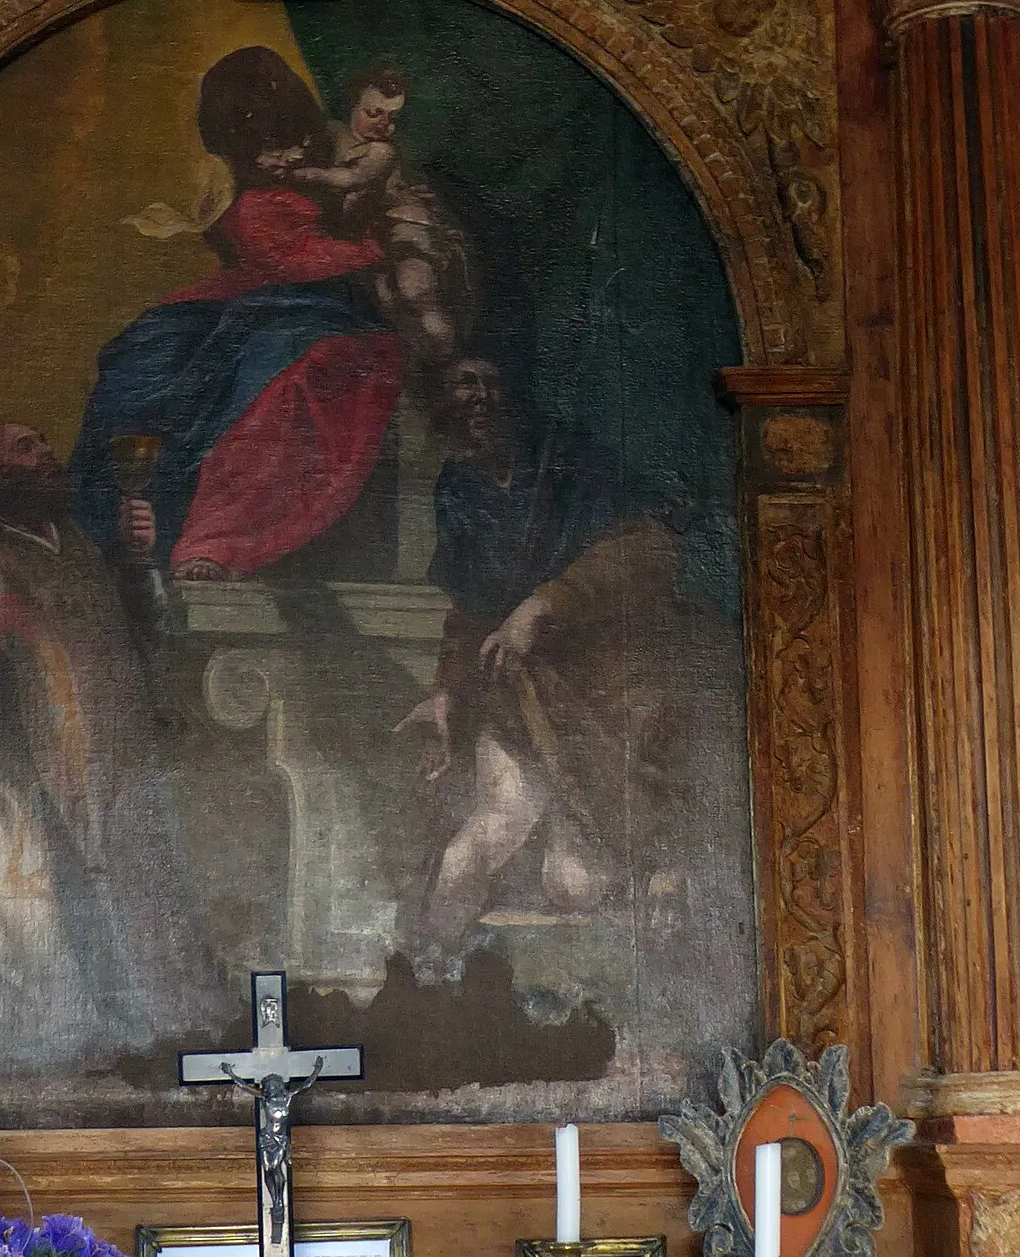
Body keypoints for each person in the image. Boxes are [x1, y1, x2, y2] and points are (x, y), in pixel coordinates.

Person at [0, 417, 190, 1058]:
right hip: (26, 804)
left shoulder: (73, 548)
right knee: (43, 983)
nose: (47, 453)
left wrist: (136, 568)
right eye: (26, 448)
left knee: (145, 975)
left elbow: (139, 645)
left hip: (113, 796)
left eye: (45, 443)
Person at [395, 357, 692, 965]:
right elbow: (469, 613)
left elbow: (651, 546)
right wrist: (448, 694)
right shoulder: (459, 488)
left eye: (492, 383)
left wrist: (544, 605)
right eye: (463, 385)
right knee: (478, 841)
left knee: (573, 884)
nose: (478, 398)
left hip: (609, 698)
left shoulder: (573, 464)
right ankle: (422, 969)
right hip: (522, 699)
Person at [70, 47, 407, 580]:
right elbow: (243, 238)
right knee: (141, 359)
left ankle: (204, 534)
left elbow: (334, 233)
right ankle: (121, 534)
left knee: (258, 361)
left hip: (326, 296)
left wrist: (360, 246)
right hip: (254, 287)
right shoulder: (233, 166)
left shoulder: (341, 144)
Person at [283, 61, 472, 367]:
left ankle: (450, 360)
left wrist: (298, 175)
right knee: (387, 300)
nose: (384, 124)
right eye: (374, 112)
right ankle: (421, 364)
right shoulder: (331, 134)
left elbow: (351, 180)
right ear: (352, 105)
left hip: (408, 227)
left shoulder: (382, 152)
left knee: (415, 287)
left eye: (392, 117)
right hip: (372, 238)